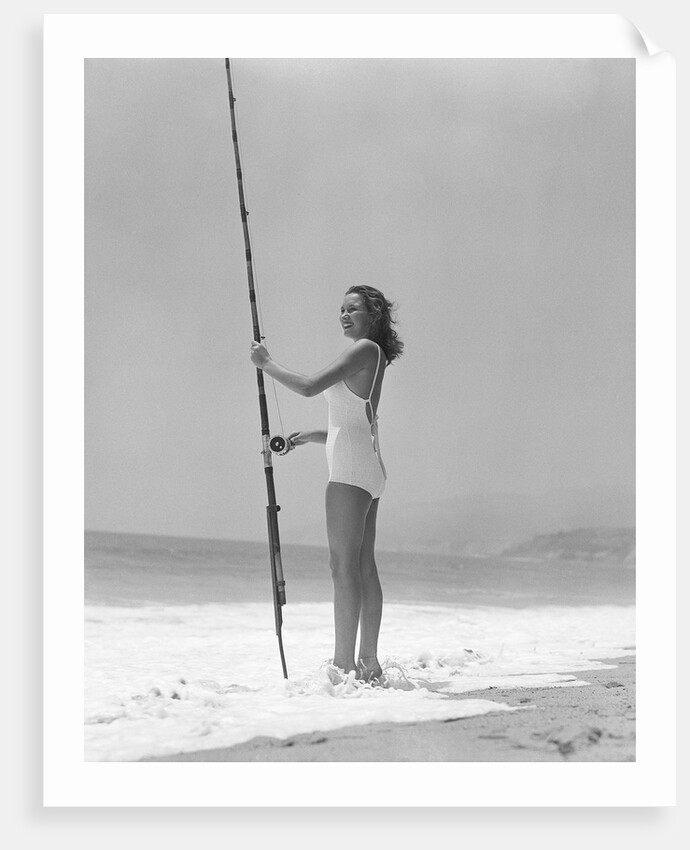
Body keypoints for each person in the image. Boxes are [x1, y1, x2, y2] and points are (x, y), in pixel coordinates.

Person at [250, 285, 403, 682]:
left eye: (353, 309)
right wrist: (314, 436)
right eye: (341, 309)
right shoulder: (374, 355)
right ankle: (368, 663)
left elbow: (307, 386)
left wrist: (266, 363)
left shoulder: (364, 349)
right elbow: (355, 420)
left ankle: (344, 663)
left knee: (342, 567)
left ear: (374, 315)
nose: (344, 315)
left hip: (350, 472)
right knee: (363, 566)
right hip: (366, 466)